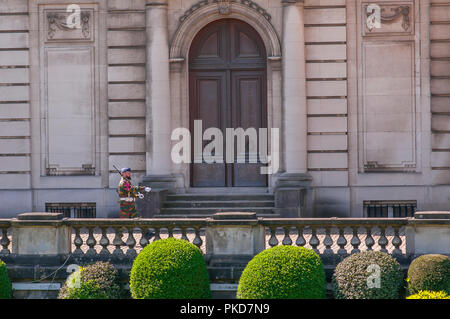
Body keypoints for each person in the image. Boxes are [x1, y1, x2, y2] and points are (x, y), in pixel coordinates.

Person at [117, 167, 154, 240]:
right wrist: (143, 188)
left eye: (129, 173)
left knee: (137, 219)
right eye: (128, 173)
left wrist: (137, 195)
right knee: (124, 223)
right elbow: (131, 189)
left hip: (130, 205)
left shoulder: (126, 181)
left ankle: (147, 233)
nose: (129, 174)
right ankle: (118, 238)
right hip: (125, 205)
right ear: (123, 174)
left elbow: (129, 193)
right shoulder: (123, 182)